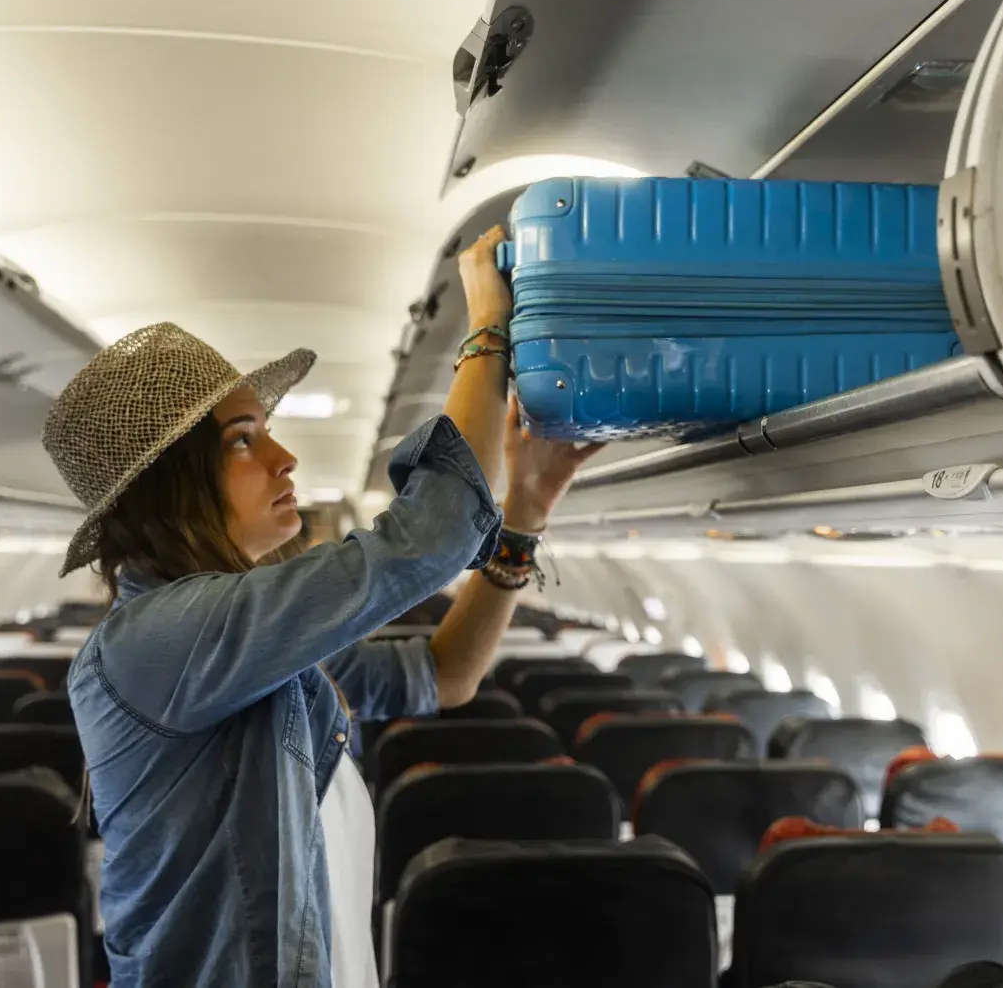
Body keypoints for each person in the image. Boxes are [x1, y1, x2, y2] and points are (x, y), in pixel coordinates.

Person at [39, 227, 602, 988]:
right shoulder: (158, 640)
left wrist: (526, 509)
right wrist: (487, 325)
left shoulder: (249, 643)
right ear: (169, 486)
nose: (284, 458)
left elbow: (444, 673)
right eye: (244, 439)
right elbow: (427, 536)